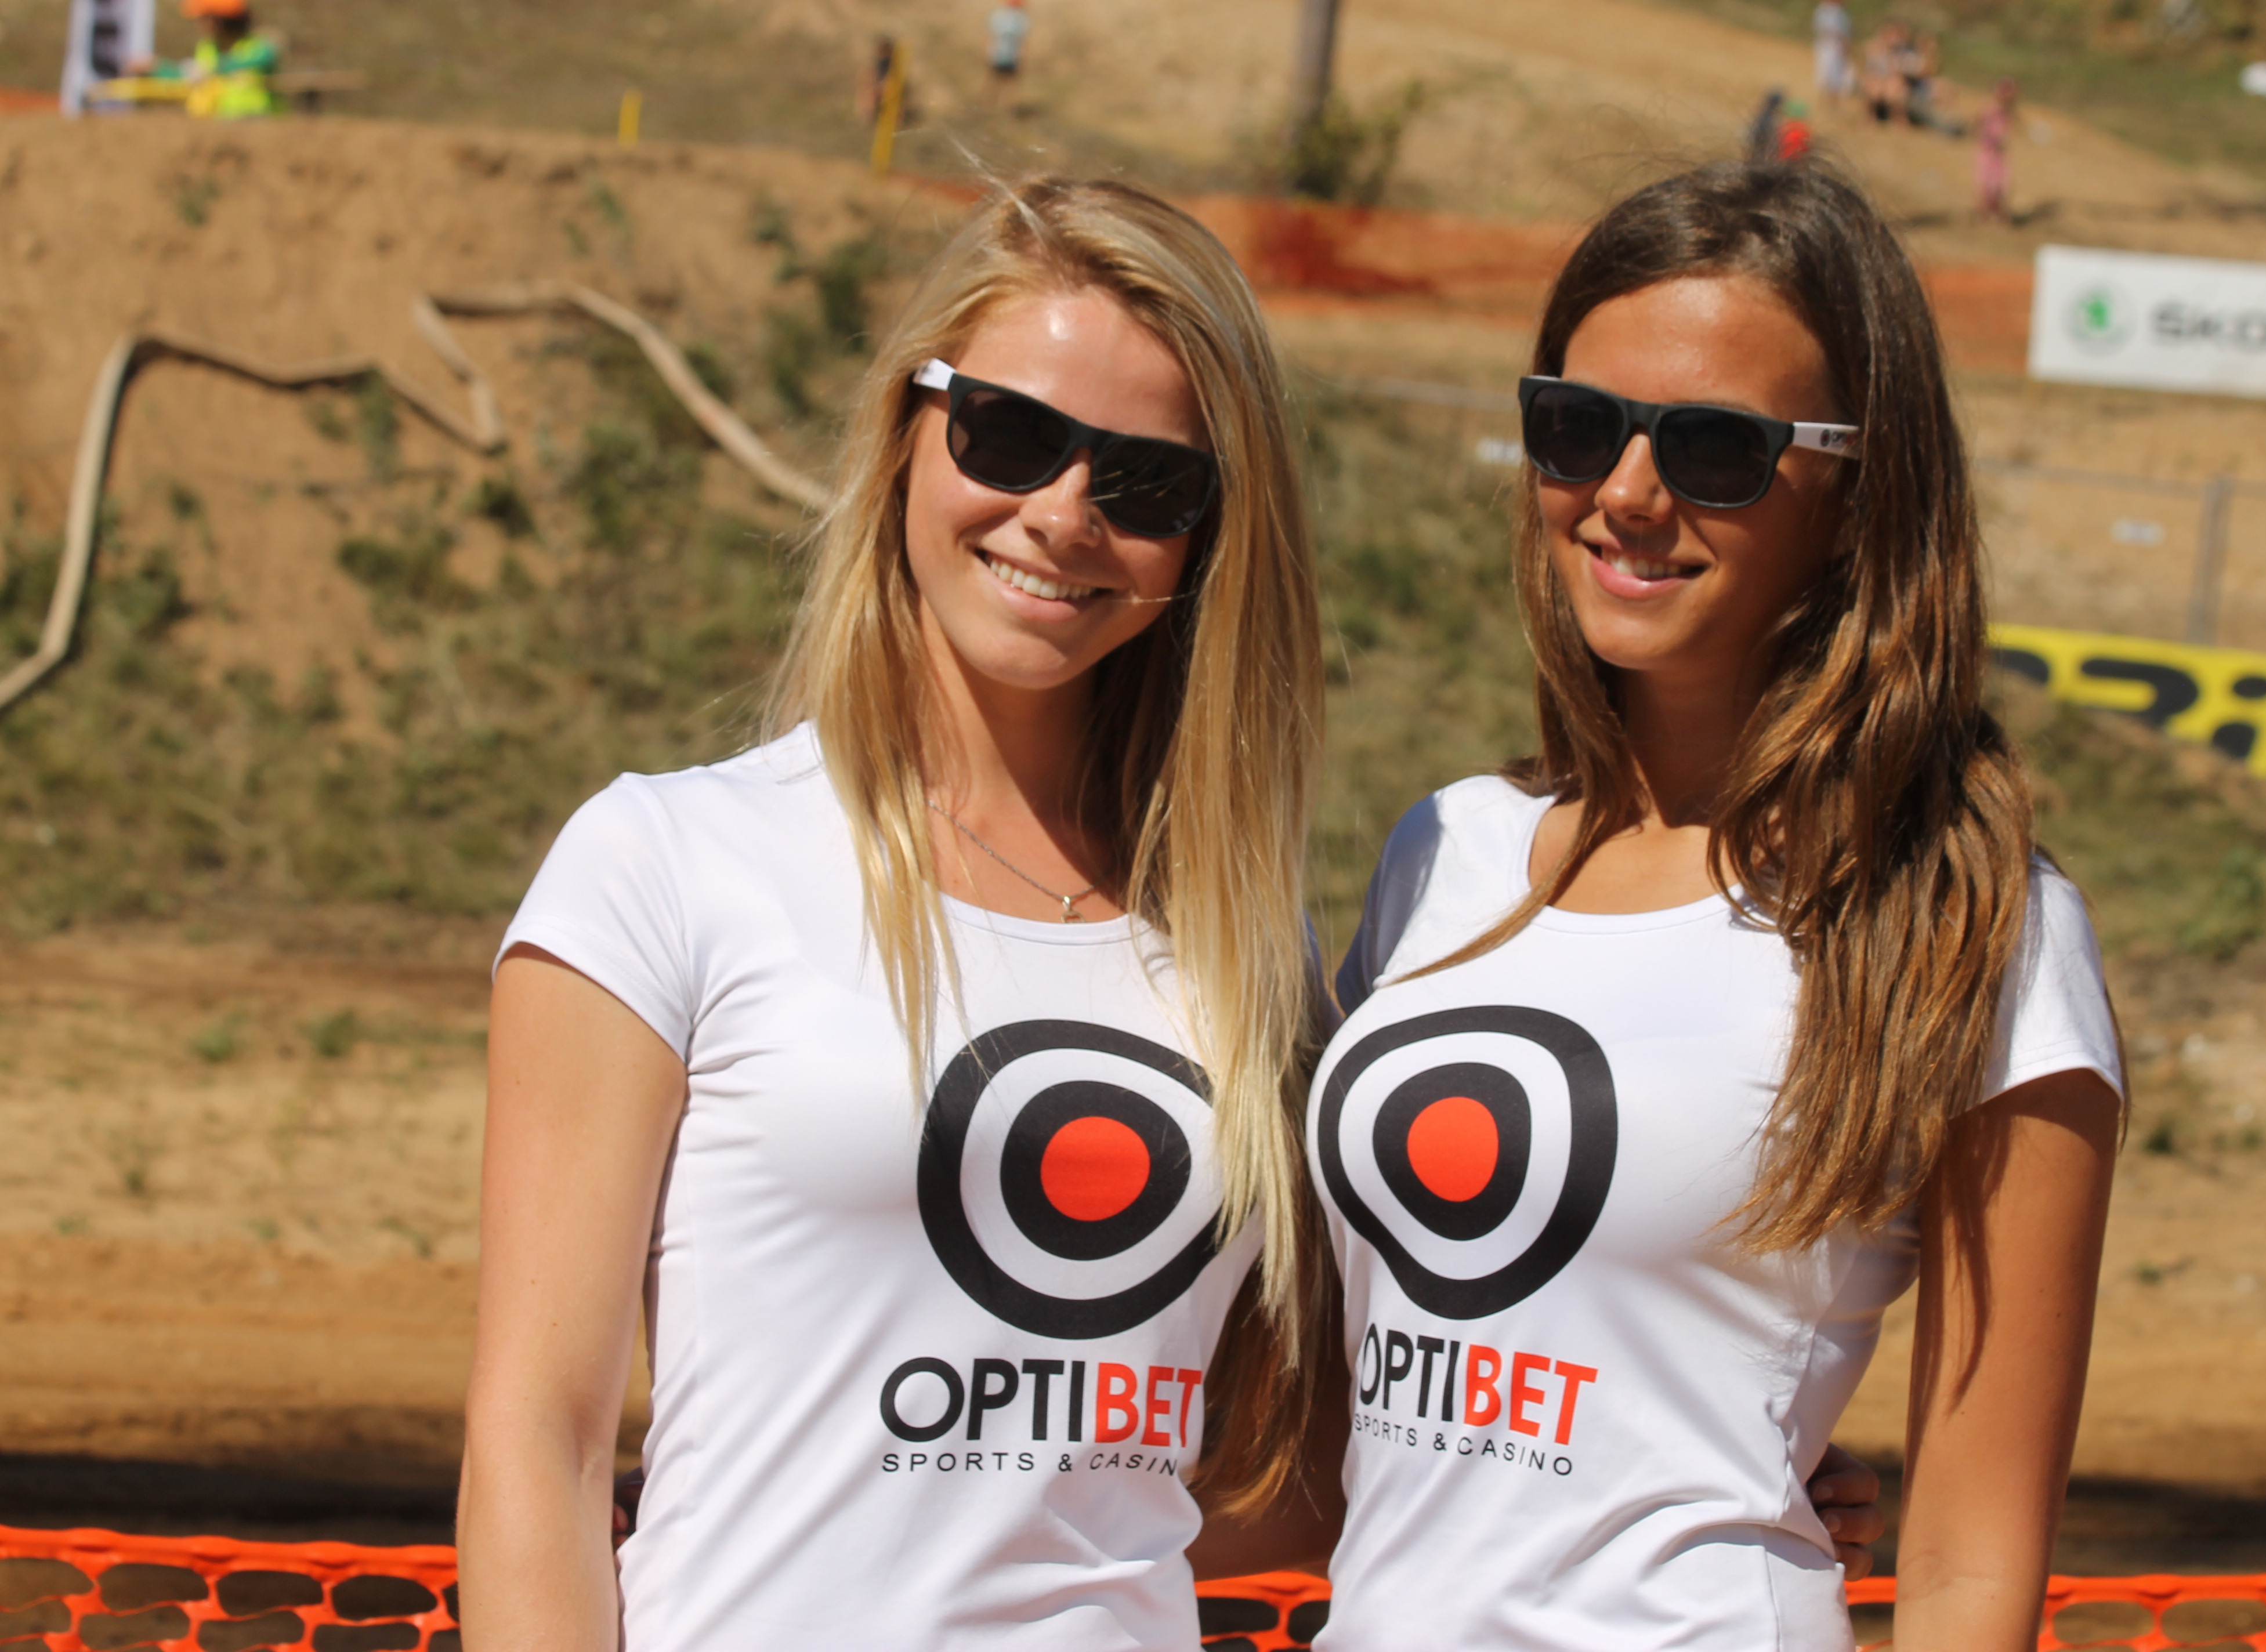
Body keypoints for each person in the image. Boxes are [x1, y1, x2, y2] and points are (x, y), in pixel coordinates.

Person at [457, 176, 1340, 1651]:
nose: (1060, 513)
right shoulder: (665, 862)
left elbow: (1285, 1453)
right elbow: (534, 1447)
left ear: (1208, 539)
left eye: (1145, 483)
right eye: (1009, 433)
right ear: (904, 429)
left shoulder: (1249, 940)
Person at [1307, 160, 2122, 1652]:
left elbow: (1969, 1563)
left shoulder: (1968, 916)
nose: (1626, 491)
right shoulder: (1446, 850)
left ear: (1859, 492)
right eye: (1578, 424)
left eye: (1715, 448)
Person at [141, 0, 279, 120]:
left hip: (256, 123)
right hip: (214, 125)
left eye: (203, 19)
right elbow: (187, 77)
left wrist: (215, 68)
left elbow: (264, 60)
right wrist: (159, 68)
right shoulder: (207, 48)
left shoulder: (257, 47)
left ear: (221, 20)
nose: (198, 24)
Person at [1977, 77, 2018, 222]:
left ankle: (1997, 212)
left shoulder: (2005, 112)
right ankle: (1986, 213)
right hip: (1989, 152)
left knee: (2001, 183)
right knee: (1989, 183)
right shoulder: (1991, 109)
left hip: (1998, 153)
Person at [1813, 0, 1854, 104]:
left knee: (1837, 74)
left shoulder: (1841, 13)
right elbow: (1821, 29)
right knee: (1825, 72)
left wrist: (1845, 44)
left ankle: (1833, 99)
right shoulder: (1824, 11)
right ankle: (1823, 98)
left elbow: (1846, 32)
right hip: (1827, 45)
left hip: (1837, 47)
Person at [989, 0, 1030, 84]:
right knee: (995, 81)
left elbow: (1024, 40)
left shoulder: (1022, 18)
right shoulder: (999, 15)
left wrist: (1022, 57)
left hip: (1013, 58)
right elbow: (991, 36)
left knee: (1010, 82)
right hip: (998, 56)